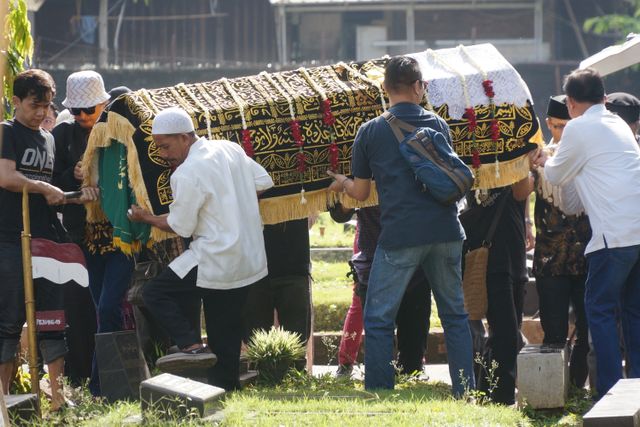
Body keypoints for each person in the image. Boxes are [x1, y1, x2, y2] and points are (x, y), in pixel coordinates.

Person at [327, 56, 474, 396]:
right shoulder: (439, 125)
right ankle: (465, 390)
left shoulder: (371, 131)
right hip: (446, 232)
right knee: (454, 315)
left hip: (400, 236)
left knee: (379, 316)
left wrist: (342, 183)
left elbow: (362, 193)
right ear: (419, 86)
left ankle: (380, 389)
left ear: (385, 88)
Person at [128, 107, 274, 391]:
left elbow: (180, 226)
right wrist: (233, 204)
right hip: (247, 257)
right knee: (225, 332)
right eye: (158, 147)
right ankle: (226, 391)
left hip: (214, 257)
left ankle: (192, 346)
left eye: (166, 146)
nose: (164, 154)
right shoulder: (229, 148)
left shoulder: (187, 172)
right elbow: (263, 183)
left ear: (184, 138)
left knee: (155, 293)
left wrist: (144, 217)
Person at [534, 68, 640, 398]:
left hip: (613, 237)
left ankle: (608, 395)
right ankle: (635, 390)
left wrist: (540, 160)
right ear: (604, 97)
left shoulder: (579, 127)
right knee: (633, 313)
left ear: (570, 102)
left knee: (599, 311)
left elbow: (555, 172)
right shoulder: (617, 124)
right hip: (635, 232)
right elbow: (573, 195)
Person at [0, 69, 98, 411]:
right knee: (10, 321)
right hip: (10, 237)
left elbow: (53, 192)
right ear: (16, 102)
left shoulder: (49, 138)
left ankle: (57, 397)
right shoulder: (7, 132)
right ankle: (6, 403)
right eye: (34, 105)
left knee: (53, 319)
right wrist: (45, 187)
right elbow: (7, 177)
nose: (42, 113)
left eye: (46, 106)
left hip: (46, 240)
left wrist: (76, 195)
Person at [53, 71, 134, 395]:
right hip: (83, 234)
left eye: (90, 109)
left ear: (104, 104)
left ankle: (104, 384)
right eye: (77, 111)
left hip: (121, 231)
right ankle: (105, 384)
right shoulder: (61, 135)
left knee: (107, 307)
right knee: (101, 308)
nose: (84, 116)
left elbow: (137, 178)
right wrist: (73, 178)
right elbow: (51, 185)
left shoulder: (123, 130)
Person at [330, 205, 431, 377]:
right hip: (374, 259)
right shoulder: (360, 178)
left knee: (412, 338)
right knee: (380, 342)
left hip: (412, 260)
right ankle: (371, 373)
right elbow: (339, 212)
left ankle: (411, 372)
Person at [532, 95, 591, 388]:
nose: (562, 133)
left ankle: (579, 387)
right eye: (557, 127)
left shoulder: (588, 155)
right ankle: (554, 394)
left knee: (586, 327)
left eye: (568, 127)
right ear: (548, 125)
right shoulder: (537, 156)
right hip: (549, 259)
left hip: (586, 256)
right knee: (554, 332)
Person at [243, 219, 312, 346]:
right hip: (253, 267)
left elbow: (337, 213)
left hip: (294, 265)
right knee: (256, 347)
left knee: (296, 346)